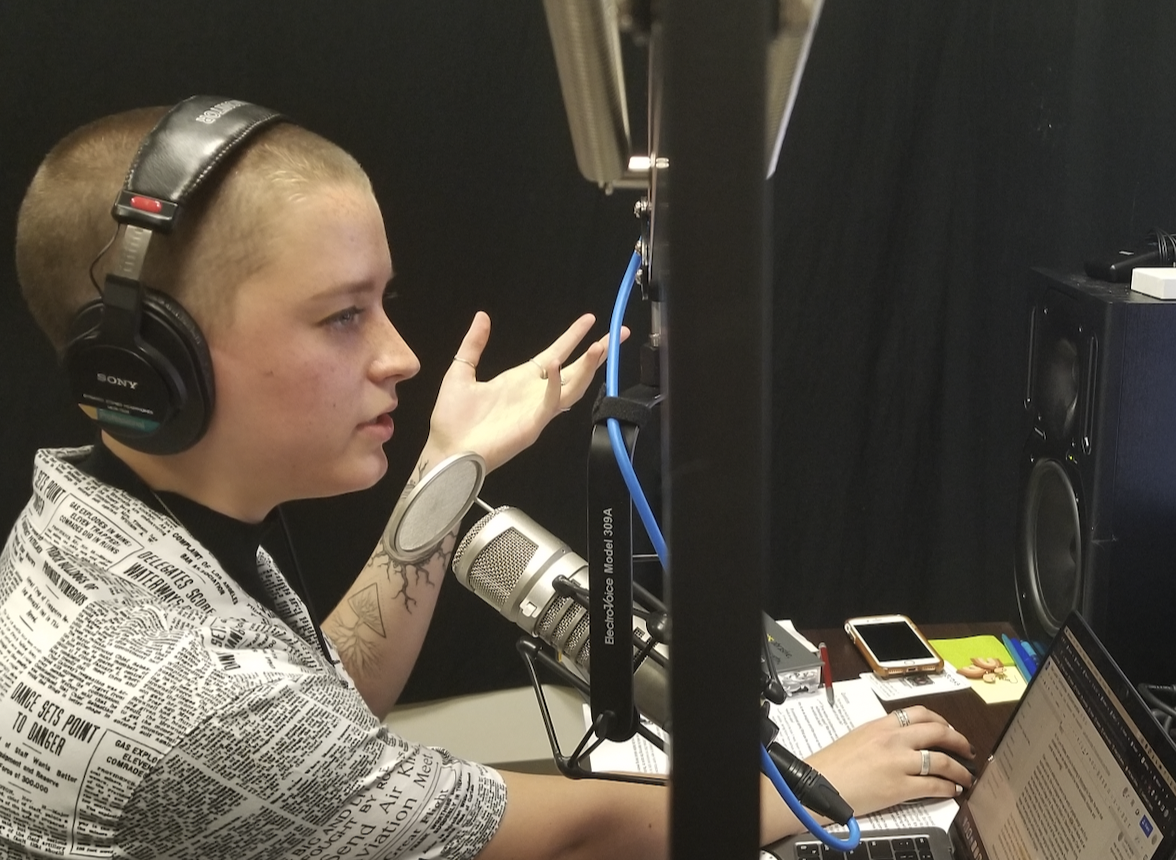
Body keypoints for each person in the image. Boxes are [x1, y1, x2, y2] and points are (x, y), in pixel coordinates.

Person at [2, 102, 975, 858]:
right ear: (143, 362)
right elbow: (572, 835)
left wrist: (447, 461)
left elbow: (320, 701)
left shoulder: (89, 530)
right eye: (342, 316)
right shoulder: (197, 704)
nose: (399, 356)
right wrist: (806, 787)